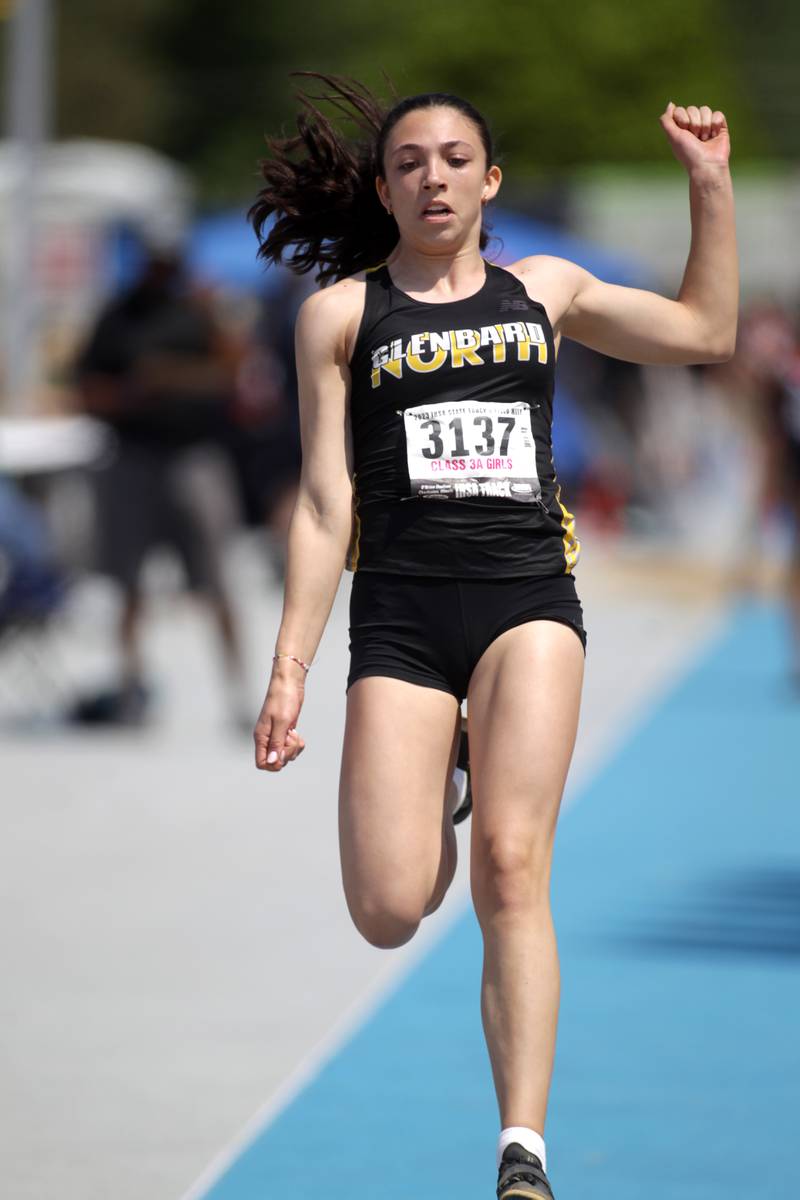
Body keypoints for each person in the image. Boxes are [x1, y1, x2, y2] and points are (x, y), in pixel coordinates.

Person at [251, 74, 737, 1198]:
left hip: (527, 604)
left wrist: (705, 186)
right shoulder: (338, 316)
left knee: (511, 873)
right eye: (411, 161)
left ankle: (522, 1154)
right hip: (402, 620)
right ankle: (447, 769)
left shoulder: (543, 291)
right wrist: (287, 672)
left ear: (490, 180)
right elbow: (326, 509)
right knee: (385, 909)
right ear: (383, 188)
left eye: (456, 159)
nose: (434, 177)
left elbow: (705, 333)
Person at [74, 248, 249, 728]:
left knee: (216, 581)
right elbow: (87, 386)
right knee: (128, 584)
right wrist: (129, 395)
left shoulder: (199, 309)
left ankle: (238, 694)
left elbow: (234, 374)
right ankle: (132, 690)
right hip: (132, 457)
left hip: (193, 456)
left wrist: (169, 378)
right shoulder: (118, 313)